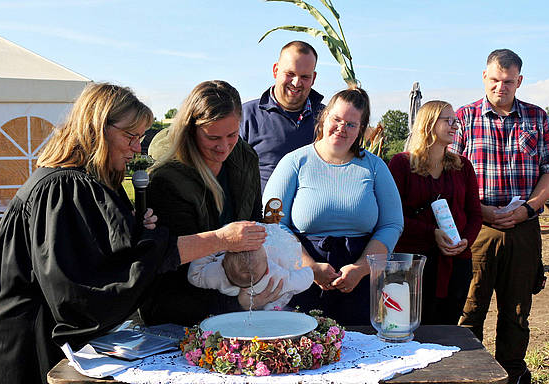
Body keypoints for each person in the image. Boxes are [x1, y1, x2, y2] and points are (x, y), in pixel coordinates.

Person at [0, 83, 267, 384]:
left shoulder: (89, 180)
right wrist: (211, 240)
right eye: (130, 137)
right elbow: (81, 290)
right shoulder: (64, 188)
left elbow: (110, 250)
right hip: (34, 340)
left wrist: (138, 234)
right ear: (97, 128)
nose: (137, 148)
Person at [451, 49, 549, 384]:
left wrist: (529, 208)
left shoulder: (537, 117)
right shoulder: (463, 118)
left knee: (516, 311)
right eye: (495, 80)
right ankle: (471, 381)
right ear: (485, 76)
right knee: (471, 307)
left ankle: (513, 381)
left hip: (524, 227)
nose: (501, 87)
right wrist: (481, 211)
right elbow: (452, 177)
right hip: (478, 228)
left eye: (509, 81)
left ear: (520, 81)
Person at [141, 80, 283, 327]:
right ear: (191, 131)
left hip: (238, 306)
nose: (224, 146)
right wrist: (241, 302)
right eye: (212, 137)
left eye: (232, 135)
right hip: (181, 314)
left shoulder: (245, 156)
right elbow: (173, 268)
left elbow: (255, 221)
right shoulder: (168, 180)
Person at [262, 86, 404, 325]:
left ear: (361, 129)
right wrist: (309, 267)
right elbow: (272, 221)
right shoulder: (293, 163)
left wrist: (360, 269)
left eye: (351, 124)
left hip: (360, 280)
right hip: (300, 277)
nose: (341, 128)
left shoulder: (376, 167)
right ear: (323, 117)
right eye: (336, 119)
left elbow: (392, 224)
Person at [388, 100, 482, 325]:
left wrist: (466, 241)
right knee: (409, 327)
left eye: (455, 121)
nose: (454, 126)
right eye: (447, 120)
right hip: (412, 265)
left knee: (447, 329)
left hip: (455, 263)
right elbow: (393, 216)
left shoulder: (463, 166)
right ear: (428, 123)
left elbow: (475, 214)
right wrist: (432, 233)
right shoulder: (402, 164)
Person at [240, 40, 324, 191]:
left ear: (314, 78)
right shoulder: (246, 116)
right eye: (290, 74)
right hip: (260, 213)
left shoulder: (328, 120)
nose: (297, 83)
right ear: (275, 70)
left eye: (305, 77)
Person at [188, 225, 314, 311]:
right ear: (268, 268)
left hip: (226, 309)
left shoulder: (216, 274)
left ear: (223, 261)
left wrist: (217, 244)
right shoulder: (277, 276)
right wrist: (309, 271)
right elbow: (304, 279)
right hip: (270, 307)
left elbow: (194, 276)